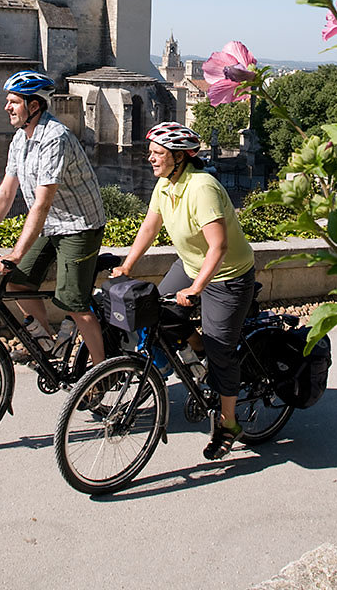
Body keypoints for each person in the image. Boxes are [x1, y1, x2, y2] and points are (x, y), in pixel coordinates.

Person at [111, 121, 255, 460]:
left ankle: (228, 423)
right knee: (153, 314)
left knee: (222, 352)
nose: (151, 159)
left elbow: (218, 248)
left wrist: (195, 289)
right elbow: (150, 225)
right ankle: (195, 345)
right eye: (151, 153)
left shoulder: (201, 187)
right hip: (191, 267)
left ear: (179, 157)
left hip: (227, 277)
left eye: (158, 154)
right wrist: (127, 265)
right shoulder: (164, 185)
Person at [0, 70, 106, 365]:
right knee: (18, 283)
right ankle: (48, 345)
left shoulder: (55, 138)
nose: (7, 107)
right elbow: (5, 192)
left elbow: (41, 203)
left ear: (33, 106)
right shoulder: (21, 138)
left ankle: (103, 371)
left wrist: (16, 252)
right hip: (52, 226)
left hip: (79, 226)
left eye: (13, 102)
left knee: (74, 304)